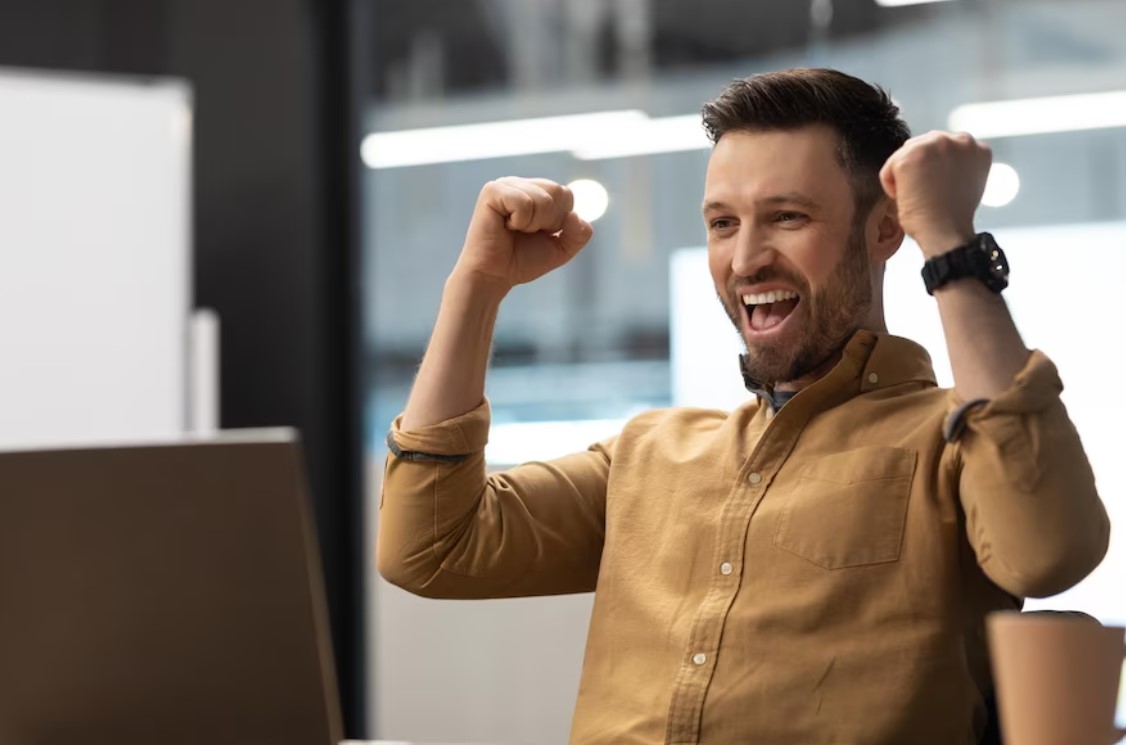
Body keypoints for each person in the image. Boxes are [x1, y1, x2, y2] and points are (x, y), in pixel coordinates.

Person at [376, 68, 1110, 745]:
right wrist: (476, 285)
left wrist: (946, 240)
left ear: (885, 228)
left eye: (786, 216)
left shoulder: (952, 444)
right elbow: (429, 546)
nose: (746, 258)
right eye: (722, 223)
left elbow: (1048, 550)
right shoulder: (648, 454)